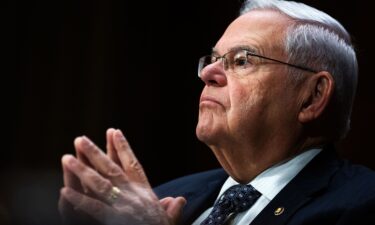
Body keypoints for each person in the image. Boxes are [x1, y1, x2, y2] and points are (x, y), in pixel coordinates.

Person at [58, 0, 375, 224]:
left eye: (242, 60)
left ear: (312, 97)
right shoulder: (166, 197)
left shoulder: (361, 204)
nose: (207, 73)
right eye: (212, 59)